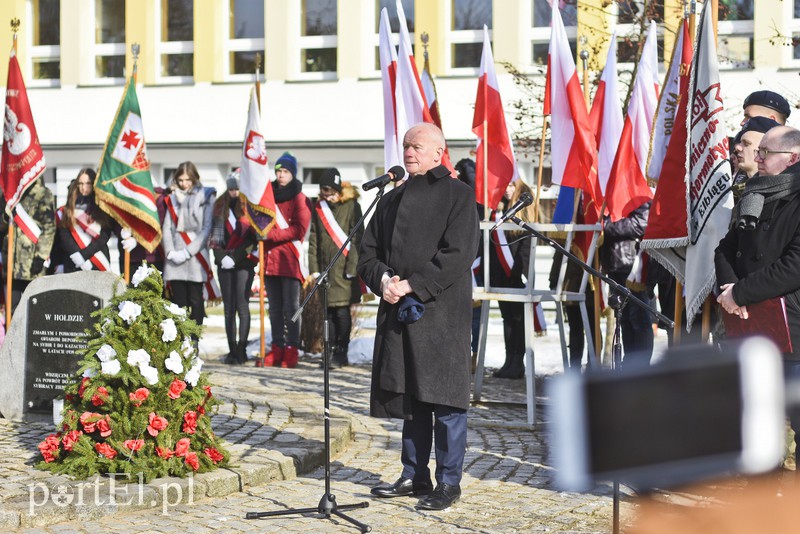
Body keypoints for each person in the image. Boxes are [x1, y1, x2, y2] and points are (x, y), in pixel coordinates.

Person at [358, 123, 479, 511]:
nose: (409, 151)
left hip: (440, 312)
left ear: (439, 152)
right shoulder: (390, 199)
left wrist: (412, 284)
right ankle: (414, 474)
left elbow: (458, 254)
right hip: (400, 311)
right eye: (406, 145)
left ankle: (447, 481)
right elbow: (367, 254)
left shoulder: (459, 195)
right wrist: (384, 281)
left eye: (418, 146)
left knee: (445, 400)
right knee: (411, 398)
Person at [715, 125, 800, 466]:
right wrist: (729, 291)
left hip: (794, 333)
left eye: (767, 153)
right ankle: (761, 508)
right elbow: (725, 248)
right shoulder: (754, 194)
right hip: (750, 326)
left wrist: (741, 292)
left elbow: (795, 265)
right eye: (759, 151)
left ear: (793, 157)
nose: (758, 158)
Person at [307, 168, 363, 369]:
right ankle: (328, 352)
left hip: (344, 270)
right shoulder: (319, 208)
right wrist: (314, 269)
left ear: (339, 190)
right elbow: (313, 239)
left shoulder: (352, 206)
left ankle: (342, 352)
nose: (328, 197)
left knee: (341, 312)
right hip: (326, 270)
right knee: (327, 313)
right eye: (325, 193)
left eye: (331, 193)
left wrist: (352, 267)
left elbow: (357, 238)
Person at [260, 152, 311, 368]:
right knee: (275, 308)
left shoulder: (300, 197)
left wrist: (270, 235)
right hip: (271, 260)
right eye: (278, 171)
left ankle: (291, 348)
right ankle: (277, 346)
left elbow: (299, 229)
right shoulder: (268, 195)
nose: (281, 175)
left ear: (293, 173)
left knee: (291, 308)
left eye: (285, 171)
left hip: (289, 260)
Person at [489, 179, 536, 379]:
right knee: (507, 318)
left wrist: (519, 271)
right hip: (500, 273)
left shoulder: (524, 210)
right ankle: (509, 360)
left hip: (517, 273)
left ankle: (518, 361)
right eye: (505, 186)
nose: (507, 190)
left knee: (518, 320)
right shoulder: (499, 211)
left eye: (511, 186)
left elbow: (525, 247)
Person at [210, 171, 257, 365]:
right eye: (231, 188)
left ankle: (242, 349)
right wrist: (222, 258)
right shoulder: (219, 206)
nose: (234, 192)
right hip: (224, 263)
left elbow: (252, 239)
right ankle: (231, 350)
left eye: (237, 188)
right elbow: (215, 239)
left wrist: (235, 258)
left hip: (243, 262)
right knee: (229, 308)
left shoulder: (249, 207)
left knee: (242, 305)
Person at [162, 161, 216, 329]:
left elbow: (207, 227)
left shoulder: (206, 196)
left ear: (194, 178)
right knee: (178, 302)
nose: (184, 184)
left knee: (195, 300)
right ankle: (180, 339)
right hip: (175, 257)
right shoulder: (172, 199)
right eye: (180, 180)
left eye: (187, 180)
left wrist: (187, 252)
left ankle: (194, 339)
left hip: (195, 256)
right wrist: (170, 252)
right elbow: (167, 227)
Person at [599, 201, 654, 366]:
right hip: (614, 262)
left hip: (632, 265)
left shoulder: (639, 194)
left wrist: (606, 226)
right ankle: (630, 364)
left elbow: (640, 224)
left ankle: (641, 366)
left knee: (638, 318)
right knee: (623, 319)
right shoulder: (610, 193)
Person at [0, 177, 56, 315]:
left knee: (35, 312)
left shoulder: (43, 194)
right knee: (13, 312)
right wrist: (5, 217)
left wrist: (41, 256)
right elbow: (1, 227)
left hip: (32, 265)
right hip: (11, 265)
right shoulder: (8, 195)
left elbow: (49, 228)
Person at [55, 168, 113, 274]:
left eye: (88, 184)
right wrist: (76, 255)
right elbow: (64, 234)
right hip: (74, 260)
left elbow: (105, 235)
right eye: (80, 183)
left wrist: (84, 255)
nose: (84, 188)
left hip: (98, 258)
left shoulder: (102, 207)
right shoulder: (68, 208)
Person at [731, 116, 780, 202]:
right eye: (740, 142)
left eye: (746, 143)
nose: (738, 147)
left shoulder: (782, 196)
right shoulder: (737, 190)